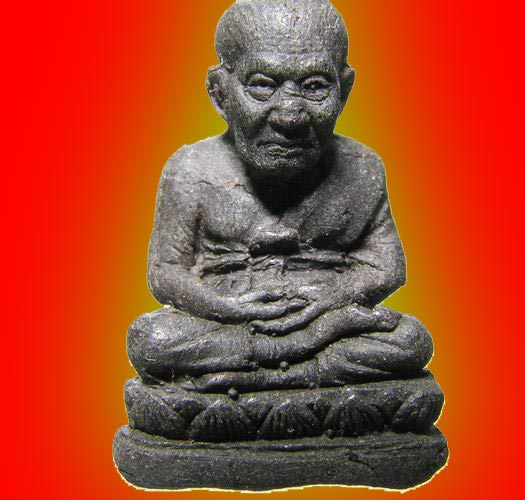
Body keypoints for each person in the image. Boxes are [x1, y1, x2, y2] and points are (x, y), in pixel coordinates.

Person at [127, 0, 433, 392]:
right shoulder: (191, 169)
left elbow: (387, 267)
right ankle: (303, 371)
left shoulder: (361, 167)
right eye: (262, 85)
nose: (290, 115)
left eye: (315, 87)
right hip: (230, 323)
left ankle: (253, 380)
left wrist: (331, 302)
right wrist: (228, 308)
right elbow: (165, 272)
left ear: (344, 90)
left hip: (326, 318)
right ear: (220, 92)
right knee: (152, 340)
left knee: (410, 340)